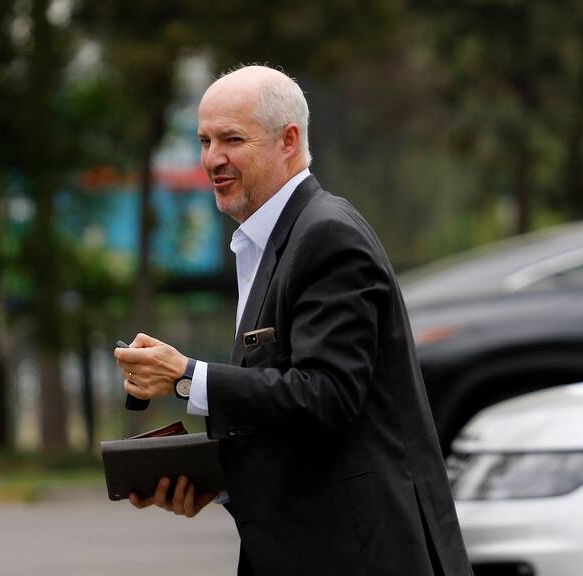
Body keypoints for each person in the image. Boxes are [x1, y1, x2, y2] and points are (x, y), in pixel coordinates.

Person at [114, 65, 472, 576]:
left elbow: (327, 396)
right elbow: (301, 428)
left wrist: (187, 376)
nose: (212, 158)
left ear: (288, 140)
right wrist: (218, 482)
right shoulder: (272, 239)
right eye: (205, 141)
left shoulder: (327, 235)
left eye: (232, 139)